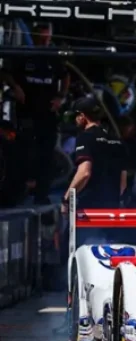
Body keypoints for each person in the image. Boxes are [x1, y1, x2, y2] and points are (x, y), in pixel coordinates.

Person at [5, 23, 70, 206]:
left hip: (47, 114)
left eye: (46, 37)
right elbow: (6, 73)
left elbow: (66, 76)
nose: (44, 40)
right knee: (21, 153)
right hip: (26, 112)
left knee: (46, 155)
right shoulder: (24, 53)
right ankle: (17, 193)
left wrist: (61, 97)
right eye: (40, 36)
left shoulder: (54, 56)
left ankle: (42, 195)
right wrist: (15, 87)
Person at [62, 95, 126, 213]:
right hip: (112, 210)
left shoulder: (85, 137)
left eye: (76, 116)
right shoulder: (117, 140)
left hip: (88, 210)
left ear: (82, 117)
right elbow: (123, 183)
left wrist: (67, 199)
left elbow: (84, 173)